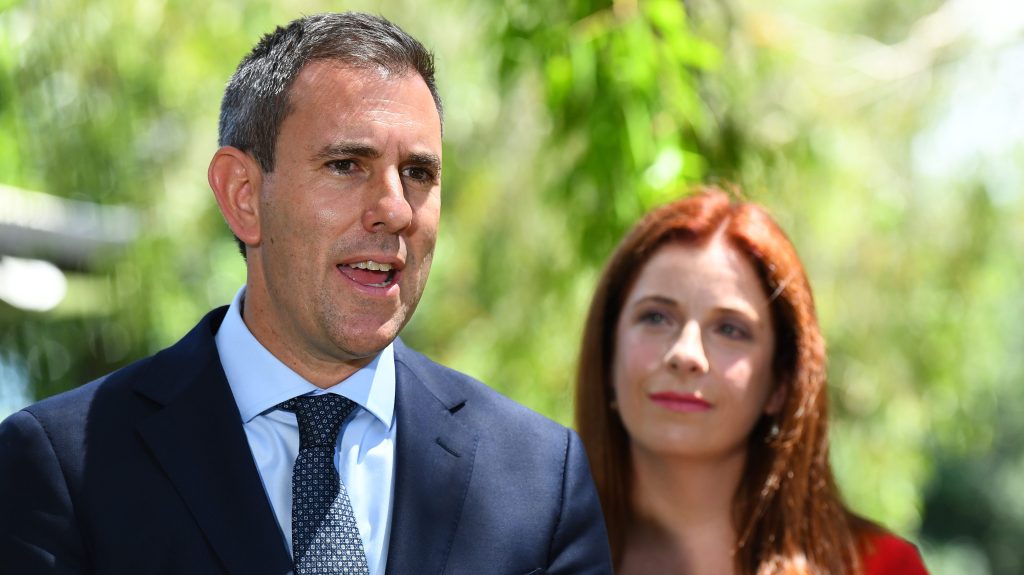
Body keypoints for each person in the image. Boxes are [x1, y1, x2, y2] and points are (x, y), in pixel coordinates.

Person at [0, 12, 612, 575]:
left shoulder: (539, 477)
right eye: (348, 165)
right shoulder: (64, 466)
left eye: (419, 173)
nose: (396, 210)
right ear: (243, 194)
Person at [575, 187, 928, 574]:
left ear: (780, 383)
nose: (685, 354)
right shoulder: (530, 554)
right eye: (656, 318)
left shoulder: (879, 567)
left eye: (730, 329)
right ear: (608, 353)